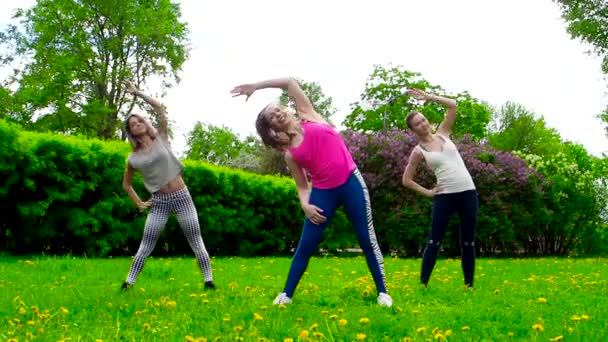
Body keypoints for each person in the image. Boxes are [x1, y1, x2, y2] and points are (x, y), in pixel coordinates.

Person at [230, 77, 392, 307]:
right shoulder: (290, 154)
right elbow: (302, 186)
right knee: (306, 245)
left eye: (277, 110)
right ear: (272, 128)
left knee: (367, 238)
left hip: (350, 182)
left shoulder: (309, 114)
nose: (277, 115)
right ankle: (286, 295)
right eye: (272, 117)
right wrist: (306, 205)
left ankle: (383, 293)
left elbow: (289, 81)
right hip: (323, 193)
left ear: (286, 108)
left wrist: (256, 87)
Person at [120, 81, 215, 290]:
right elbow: (126, 184)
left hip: (182, 197)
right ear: (131, 132)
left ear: (145, 124)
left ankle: (209, 281)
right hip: (160, 202)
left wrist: (137, 93)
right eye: (132, 124)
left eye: (139, 121)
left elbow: (160, 109)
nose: (137, 124)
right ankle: (128, 283)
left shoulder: (161, 138)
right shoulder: (133, 158)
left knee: (196, 240)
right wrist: (139, 203)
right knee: (146, 245)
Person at [401, 88, 478, 289]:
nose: (423, 125)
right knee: (434, 241)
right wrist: (428, 192)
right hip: (444, 197)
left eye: (423, 120)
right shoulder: (419, 151)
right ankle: (423, 284)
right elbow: (406, 180)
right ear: (413, 130)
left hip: (468, 192)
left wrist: (429, 97)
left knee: (468, 242)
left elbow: (453, 104)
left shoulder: (444, 134)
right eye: (417, 124)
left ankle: (469, 286)